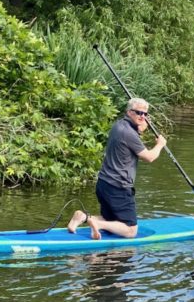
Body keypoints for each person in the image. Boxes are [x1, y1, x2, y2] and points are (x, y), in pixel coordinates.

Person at [67, 98, 167, 239]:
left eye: (145, 114)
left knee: (112, 221)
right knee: (131, 230)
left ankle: (83, 217)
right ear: (129, 112)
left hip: (104, 184)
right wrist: (160, 144)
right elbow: (149, 157)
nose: (142, 116)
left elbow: (129, 143)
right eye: (138, 113)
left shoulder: (118, 126)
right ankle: (96, 222)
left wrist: (139, 131)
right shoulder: (130, 134)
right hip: (118, 187)